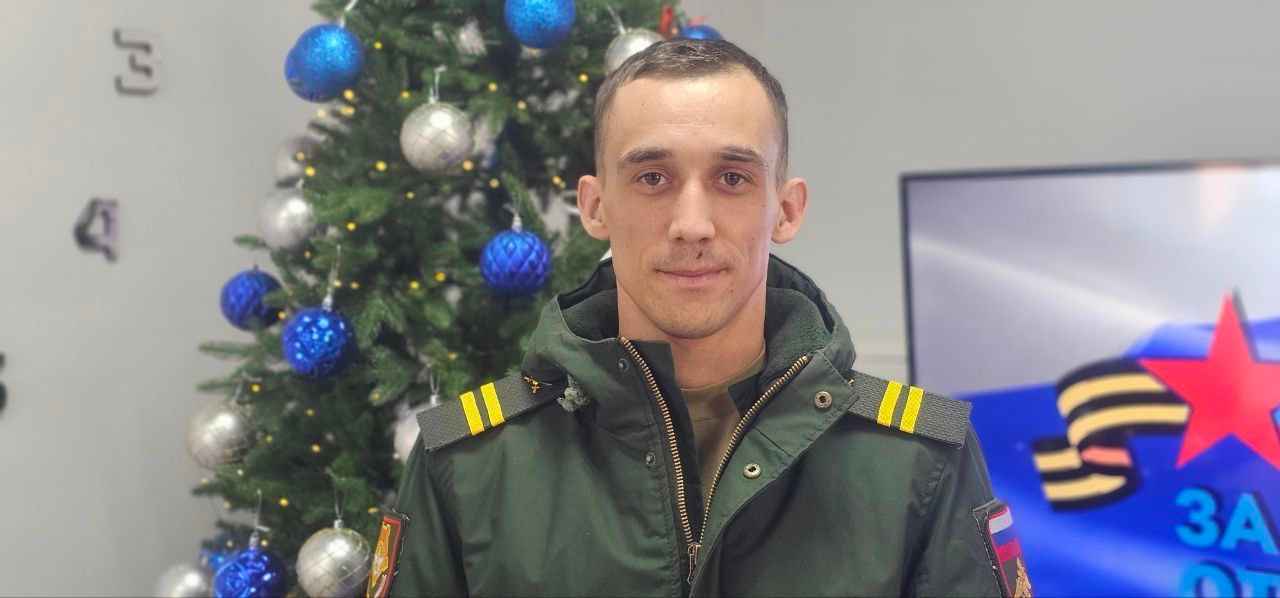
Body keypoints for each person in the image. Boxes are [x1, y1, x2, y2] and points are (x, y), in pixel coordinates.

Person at [368, 39, 1030, 598]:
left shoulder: (915, 462)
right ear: (595, 207)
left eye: (732, 178)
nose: (692, 224)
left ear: (786, 209)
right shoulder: (472, 465)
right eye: (652, 178)